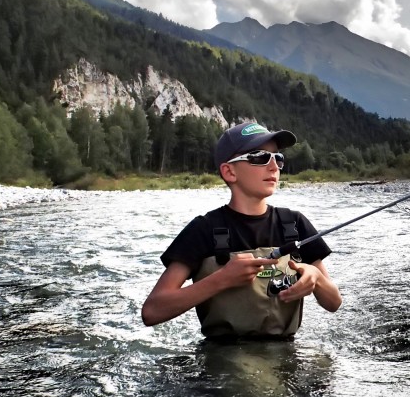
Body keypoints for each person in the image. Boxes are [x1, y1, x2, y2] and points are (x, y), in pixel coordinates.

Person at [141, 119, 342, 339]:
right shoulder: (203, 230)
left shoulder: (294, 224)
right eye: (260, 157)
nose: (274, 166)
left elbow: (333, 302)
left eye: (278, 158)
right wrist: (222, 279)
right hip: (222, 362)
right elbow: (152, 312)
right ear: (229, 172)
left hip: (287, 357)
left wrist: (316, 277)